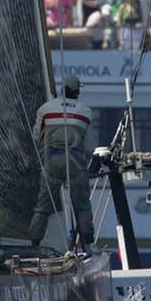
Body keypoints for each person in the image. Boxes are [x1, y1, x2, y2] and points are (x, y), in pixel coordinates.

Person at [32, 73, 95, 249]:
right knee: (81, 205)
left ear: (62, 89)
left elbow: (37, 135)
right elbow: (87, 141)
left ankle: (34, 243)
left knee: (42, 206)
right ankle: (88, 244)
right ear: (77, 91)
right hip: (75, 162)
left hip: (51, 161)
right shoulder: (86, 111)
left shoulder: (45, 108)